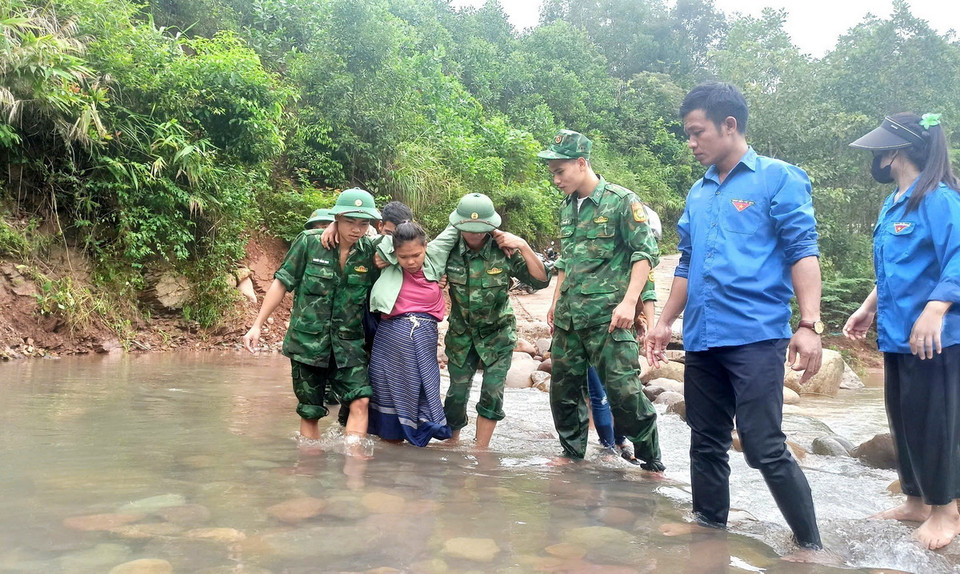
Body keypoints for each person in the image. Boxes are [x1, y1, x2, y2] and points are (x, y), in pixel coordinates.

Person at [645, 82, 824, 555]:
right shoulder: (699, 192)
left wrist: (809, 324)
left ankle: (812, 548)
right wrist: (664, 322)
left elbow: (802, 250)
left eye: (697, 132)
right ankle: (709, 537)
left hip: (755, 335)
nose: (691, 142)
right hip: (702, 336)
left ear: (729, 125)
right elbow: (686, 262)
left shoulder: (778, 178)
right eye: (687, 134)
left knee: (763, 446)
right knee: (705, 442)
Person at [844, 112, 960, 550]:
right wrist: (867, 307)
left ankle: (946, 512)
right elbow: (895, 269)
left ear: (894, 151)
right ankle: (915, 501)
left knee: (936, 422)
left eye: (879, 150)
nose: (874, 158)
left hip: (937, 336)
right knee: (905, 418)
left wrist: (937, 307)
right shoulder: (895, 202)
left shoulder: (939, 198)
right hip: (899, 334)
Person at [540, 129, 664, 471]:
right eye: (553, 173)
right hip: (569, 318)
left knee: (624, 393)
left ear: (581, 163)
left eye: (560, 171)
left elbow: (645, 253)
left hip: (608, 319)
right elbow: (567, 260)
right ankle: (571, 455)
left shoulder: (622, 201)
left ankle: (651, 460)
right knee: (563, 392)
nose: (556, 180)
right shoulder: (568, 207)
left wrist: (629, 302)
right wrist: (556, 300)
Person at [242, 188, 381, 453]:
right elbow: (282, 283)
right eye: (349, 221)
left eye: (363, 223)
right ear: (337, 217)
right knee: (310, 411)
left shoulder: (370, 252)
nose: (356, 229)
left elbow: (409, 243)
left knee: (361, 399)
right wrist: (257, 325)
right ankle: (310, 468)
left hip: (349, 345)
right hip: (308, 344)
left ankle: (354, 467)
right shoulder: (309, 243)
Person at [442, 193, 550, 448]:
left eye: (481, 228)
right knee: (456, 393)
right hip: (461, 335)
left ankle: (481, 450)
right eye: (469, 228)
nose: (475, 234)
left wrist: (523, 245)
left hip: (498, 334)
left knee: (492, 392)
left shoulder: (504, 250)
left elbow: (541, 280)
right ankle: (452, 444)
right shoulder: (447, 250)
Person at [366, 221, 459, 446]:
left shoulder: (435, 258)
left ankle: (409, 445)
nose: (410, 262)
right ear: (394, 252)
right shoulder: (389, 262)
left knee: (422, 384)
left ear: (426, 246)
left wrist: (497, 231)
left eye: (416, 255)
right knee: (387, 387)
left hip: (424, 334)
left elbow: (456, 226)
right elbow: (365, 238)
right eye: (403, 256)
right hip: (389, 336)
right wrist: (332, 227)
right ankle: (393, 446)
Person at [588, 277, 657, 463]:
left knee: (621, 395)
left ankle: (619, 441)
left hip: (621, 335)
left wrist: (646, 324)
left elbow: (648, 293)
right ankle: (608, 446)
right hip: (588, 332)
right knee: (598, 395)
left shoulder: (639, 265)